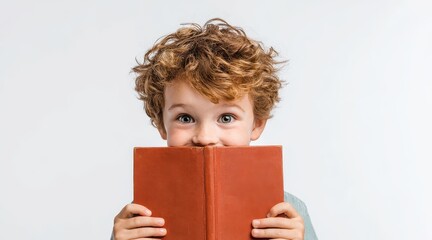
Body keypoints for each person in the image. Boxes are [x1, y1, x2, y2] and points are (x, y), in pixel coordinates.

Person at [112, 18, 318, 240]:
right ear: (162, 124)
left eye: (227, 117)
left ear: (257, 124)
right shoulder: (139, 217)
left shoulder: (289, 214)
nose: (205, 137)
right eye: (185, 117)